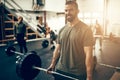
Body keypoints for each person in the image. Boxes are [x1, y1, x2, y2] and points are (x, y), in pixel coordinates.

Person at [47, 1, 94, 80]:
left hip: (77, 73)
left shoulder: (86, 30)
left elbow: (89, 55)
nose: (68, 13)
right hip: (60, 69)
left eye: (71, 10)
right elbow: (57, 50)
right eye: (66, 10)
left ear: (77, 11)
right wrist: (53, 64)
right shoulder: (62, 29)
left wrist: (89, 76)